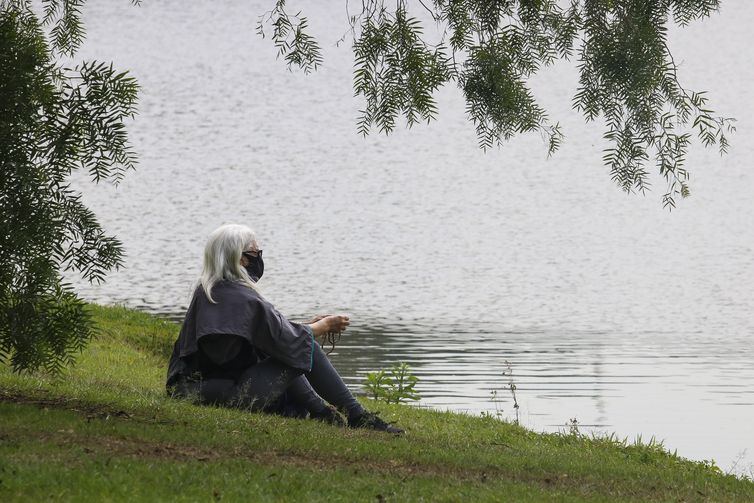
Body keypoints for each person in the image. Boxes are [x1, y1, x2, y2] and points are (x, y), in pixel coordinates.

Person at [166, 223, 402, 433]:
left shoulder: (211, 289)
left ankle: (323, 412)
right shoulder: (239, 297)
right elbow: (287, 340)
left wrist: (309, 326)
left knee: (293, 346)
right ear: (241, 259)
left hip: (192, 389)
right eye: (256, 252)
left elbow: (269, 335)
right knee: (303, 348)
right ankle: (356, 415)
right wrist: (325, 325)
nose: (259, 257)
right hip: (218, 394)